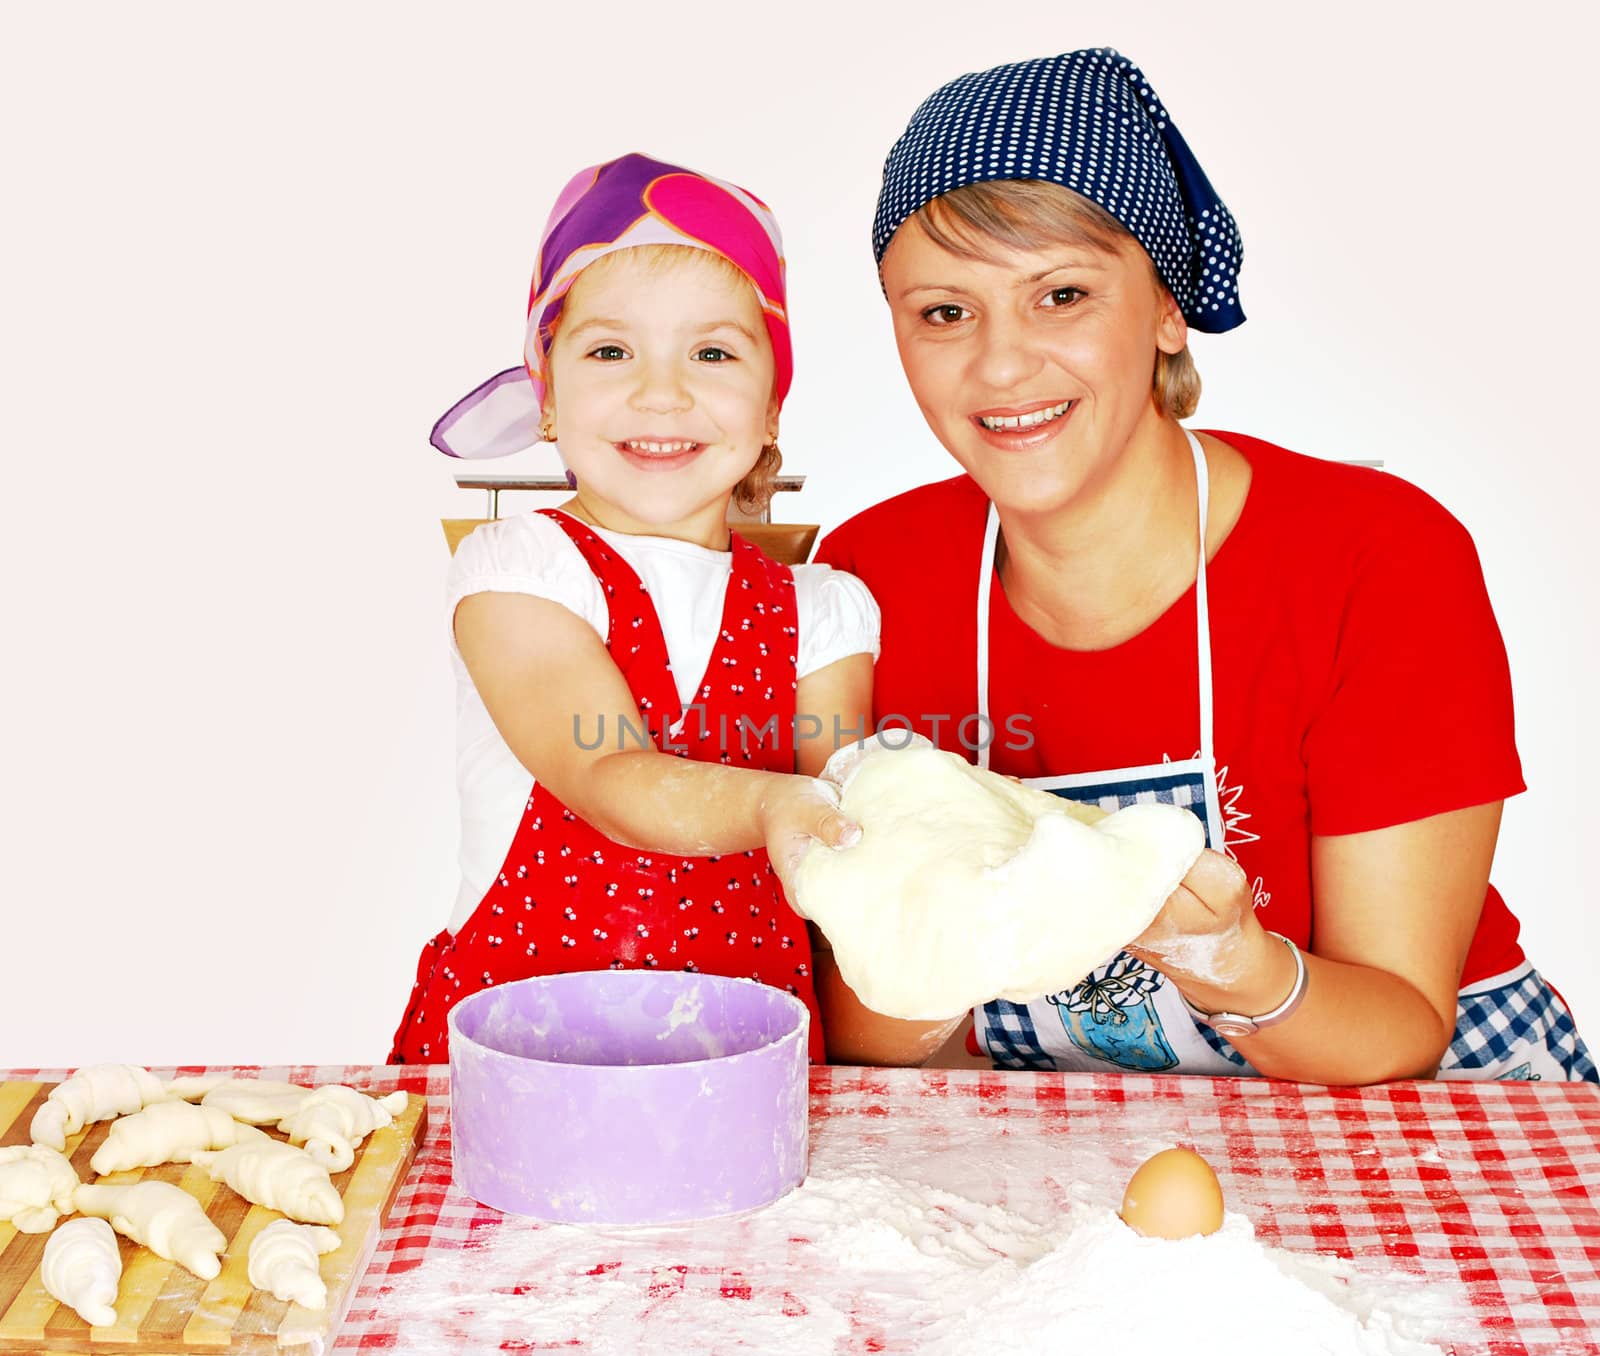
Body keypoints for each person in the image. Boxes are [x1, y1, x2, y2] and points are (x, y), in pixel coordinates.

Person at [812, 49, 1594, 1084]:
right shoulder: (871, 573)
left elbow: (1400, 1023)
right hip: (1071, 1145)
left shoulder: (1375, 556)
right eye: (943, 311)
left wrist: (1234, 962)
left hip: (1427, 1110)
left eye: (1061, 294)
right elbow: (883, 1042)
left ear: (1166, 308)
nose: (998, 364)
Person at [390, 153, 878, 1064]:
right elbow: (607, 772)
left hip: (748, 1088)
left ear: (773, 404)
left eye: (714, 352)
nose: (662, 392)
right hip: (515, 1077)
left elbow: (851, 836)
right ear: (546, 393)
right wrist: (778, 807)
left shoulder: (824, 609)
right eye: (611, 350)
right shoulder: (521, 570)